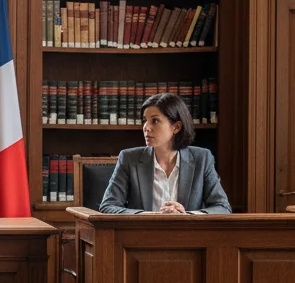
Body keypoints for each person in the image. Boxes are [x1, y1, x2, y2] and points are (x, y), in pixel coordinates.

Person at [99, 91, 231, 214]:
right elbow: (108, 206)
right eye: (145, 120)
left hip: (187, 231)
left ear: (176, 127)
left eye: (155, 121)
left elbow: (222, 207)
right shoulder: (129, 158)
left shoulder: (202, 159)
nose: (146, 127)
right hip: (143, 231)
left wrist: (187, 215)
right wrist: (149, 217)